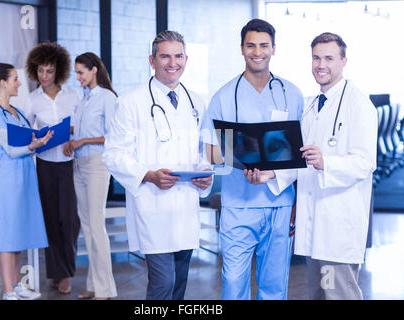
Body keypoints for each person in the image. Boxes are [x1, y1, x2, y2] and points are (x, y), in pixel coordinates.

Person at [256, 32, 377, 300]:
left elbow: (365, 163)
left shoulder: (359, 105)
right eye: (316, 58)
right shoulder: (312, 106)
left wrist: (326, 162)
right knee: (318, 295)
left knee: (338, 294)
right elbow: (301, 159)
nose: (321, 64)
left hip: (337, 227)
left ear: (344, 61)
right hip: (314, 227)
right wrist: (272, 173)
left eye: (329, 58)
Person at [102, 30, 213, 300]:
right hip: (152, 204)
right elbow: (113, 154)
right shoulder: (130, 103)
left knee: (179, 284)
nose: (172, 62)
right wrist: (149, 175)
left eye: (178, 56)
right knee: (163, 283)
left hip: (185, 205)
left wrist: (205, 173)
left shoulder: (197, 101)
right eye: (165, 56)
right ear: (152, 61)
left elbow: (203, 152)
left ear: (186, 59)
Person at [200, 18, 304, 300]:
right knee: (233, 282)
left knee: (274, 283)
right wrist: (237, 160)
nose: (257, 51)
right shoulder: (223, 96)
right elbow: (210, 149)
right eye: (251, 45)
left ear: (273, 48)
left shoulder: (291, 94)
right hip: (238, 203)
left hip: (279, 202)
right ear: (242, 48)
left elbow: (301, 152)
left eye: (263, 45)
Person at [0, 63, 53, 300]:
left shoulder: (17, 111)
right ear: (3, 82)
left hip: (25, 174)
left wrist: (41, 138)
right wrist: (33, 145)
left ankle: (16, 285)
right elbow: (10, 150)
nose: (19, 83)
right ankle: (8, 290)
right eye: (15, 79)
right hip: (10, 176)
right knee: (9, 233)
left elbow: (27, 138)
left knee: (20, 229)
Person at [24, 42, 81, 294]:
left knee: (69, 220)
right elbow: (26, 132)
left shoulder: (73, 96)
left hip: (69, 164)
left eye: (49, 71)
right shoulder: (32, 99)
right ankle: (58, 273)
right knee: (49, 219)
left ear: (58, 71)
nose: (44, 76)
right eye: (40, 71)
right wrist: (37, 137)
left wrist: (69, 134)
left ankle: (65, 271)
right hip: (45, 165)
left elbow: (82, 127)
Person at [63, 52, 117, 300]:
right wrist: (72, 141)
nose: (78, 77)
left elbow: (113, 136)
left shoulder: (107, 98)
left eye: (81, 72)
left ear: (94, 70)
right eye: (76, 72)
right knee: (87, 227)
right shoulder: (83, 99)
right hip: (78, 163)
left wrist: (83, 140)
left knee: (96, 226)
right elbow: (80, 128)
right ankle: (93, 285)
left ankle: (105, 290)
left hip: (97, 165)